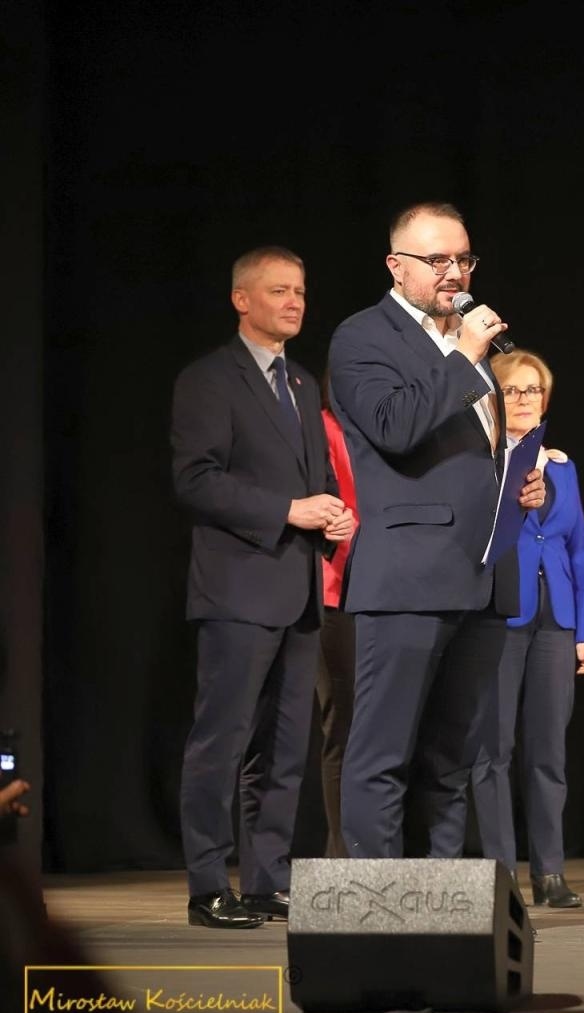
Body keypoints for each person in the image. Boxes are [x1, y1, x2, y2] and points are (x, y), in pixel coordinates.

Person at [328, 202, 544, 861]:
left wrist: (522, 483)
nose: (455, 273)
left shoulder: (471, 350)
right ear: (397, 266)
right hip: (409, 574)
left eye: (464, 260)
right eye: (438, 260)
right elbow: (393, 426)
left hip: (480, 572)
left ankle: (443, 903)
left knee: (453, 756)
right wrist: (463, 354)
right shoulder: (362, 337)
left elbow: (475, 451)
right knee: (383, 751)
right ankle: (372, 905)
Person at [170, 246, 352, 928]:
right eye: (279, 290)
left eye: (300, 290)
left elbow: (316, 480)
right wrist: (287, 512)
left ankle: (266, 879)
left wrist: (334, 508)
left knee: (282, 749)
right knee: (222, 741)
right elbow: (196, 480)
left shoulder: (302, 384)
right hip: (238, 589)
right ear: (242, 299)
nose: (295, 301)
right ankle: (207, 883)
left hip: (301, 589)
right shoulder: (209, 380)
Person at [473, 350, 584, 908]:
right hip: (500, 615)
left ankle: (549, 873)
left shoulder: (565, 467)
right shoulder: (480, 460)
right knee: (493, 751)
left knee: (548, 751)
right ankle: (500, 876)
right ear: (492, 399)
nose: (524, 400)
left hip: (557, 619)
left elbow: (579, 550)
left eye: (533, 390)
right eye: (512, 390)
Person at [314, 374, 359, 858]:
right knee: (343, 725)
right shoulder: (322, 427)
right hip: (334, 591)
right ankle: (342, 855)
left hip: (384, 593)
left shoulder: (383, 429)